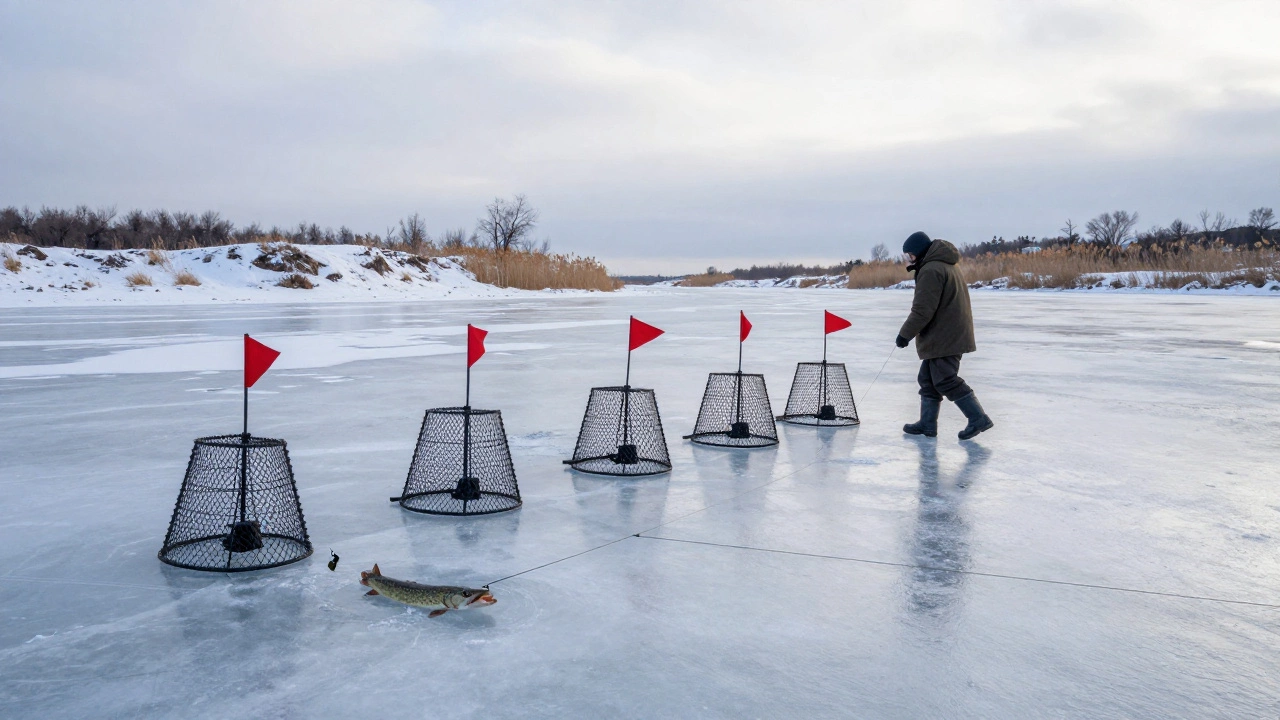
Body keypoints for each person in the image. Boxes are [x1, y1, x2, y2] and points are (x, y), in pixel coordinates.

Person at [894, 231, 994, 440]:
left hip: (946, 335)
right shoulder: (945, 264)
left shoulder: (931, 270)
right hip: (946, 333)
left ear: (919, 251)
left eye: (910, 255)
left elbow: (923, 310)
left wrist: (905, 334)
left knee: (945, 379)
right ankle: (927, 423)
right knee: (928, 379)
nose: (909, 259)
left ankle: (978, 418)